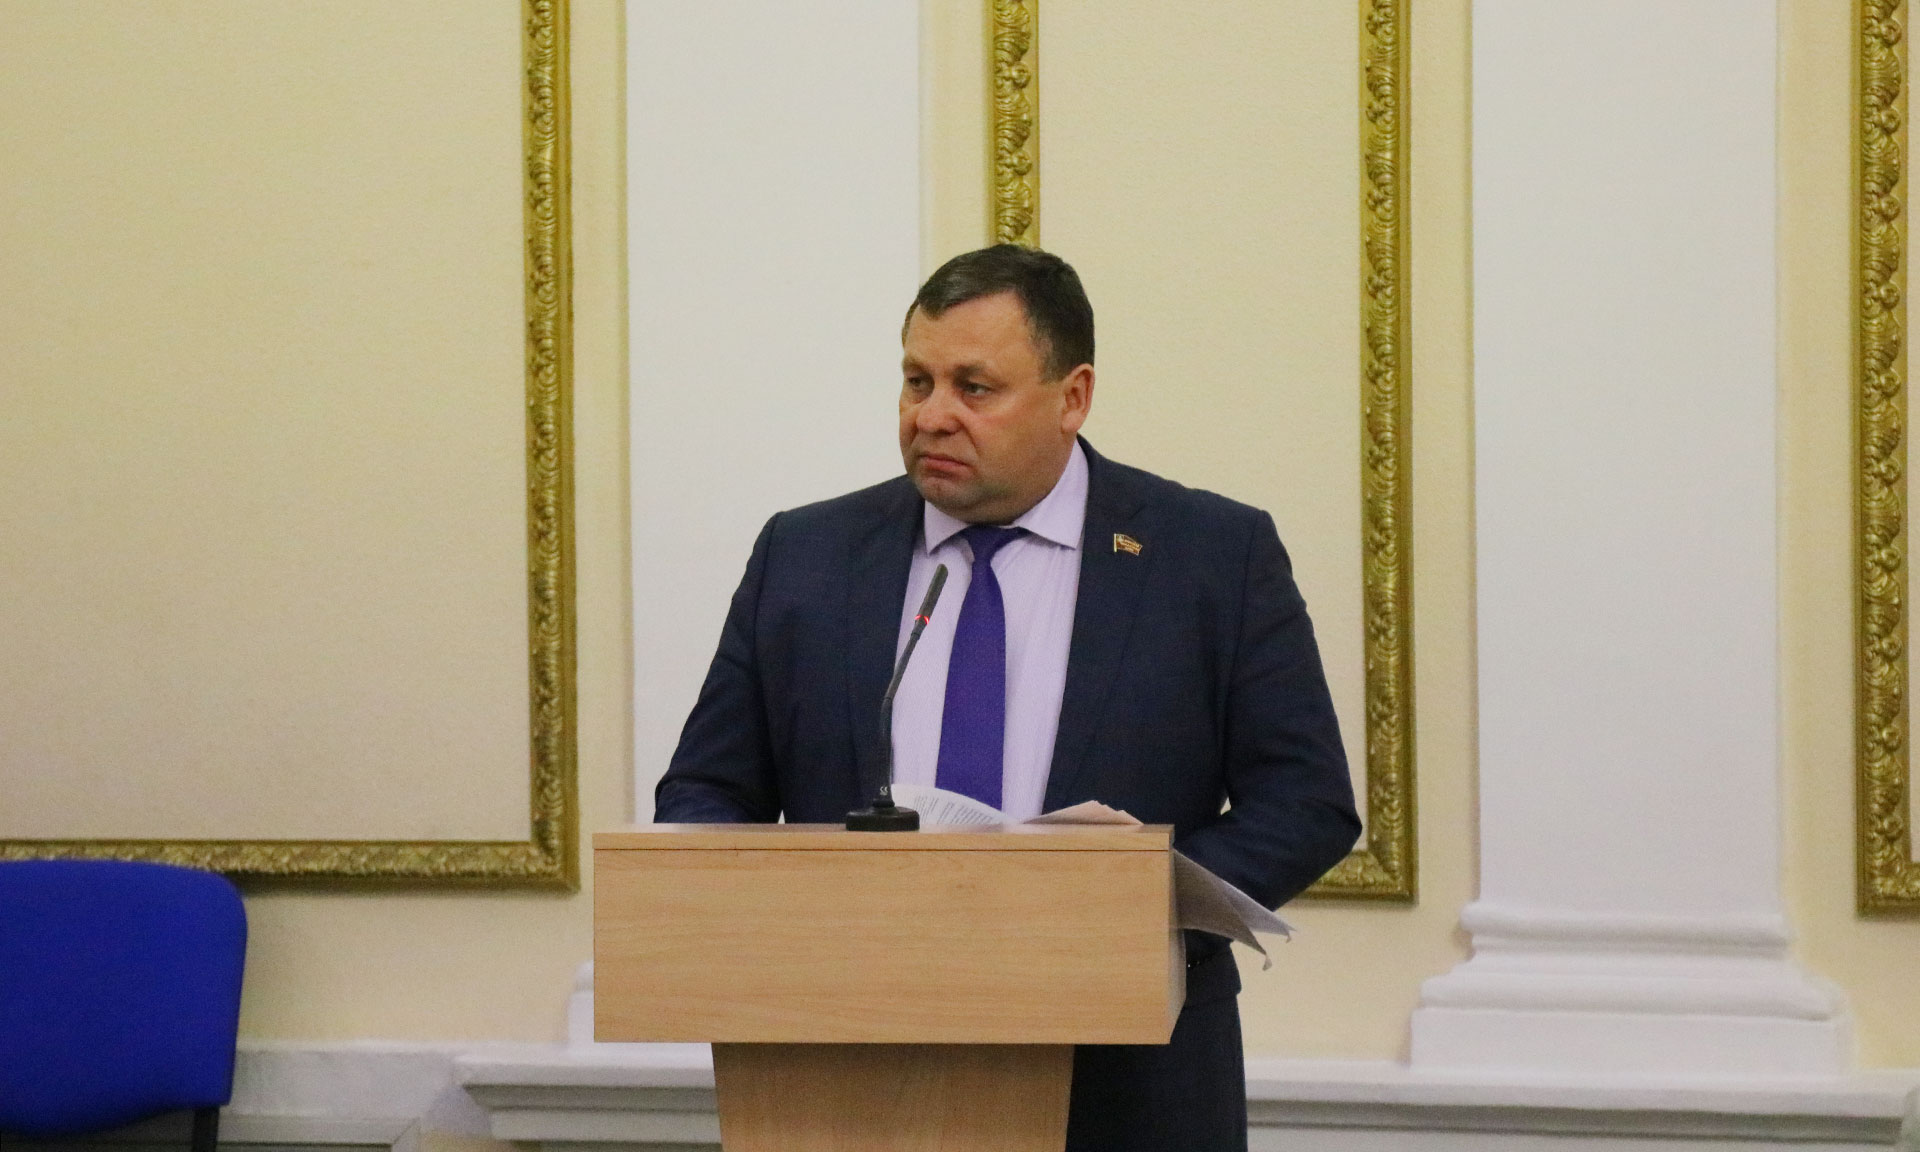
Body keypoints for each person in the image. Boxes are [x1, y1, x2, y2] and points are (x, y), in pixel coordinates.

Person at [654, 244, 1360, 1152]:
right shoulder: (807, 555)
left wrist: (1130, 902)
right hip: (846, 1071)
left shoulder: (1210, 557)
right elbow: (707, 791)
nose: (931, 416)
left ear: (1073, 397)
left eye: (973, 388)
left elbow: (1305, 803)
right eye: (917, 381)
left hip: (1129, 1082)